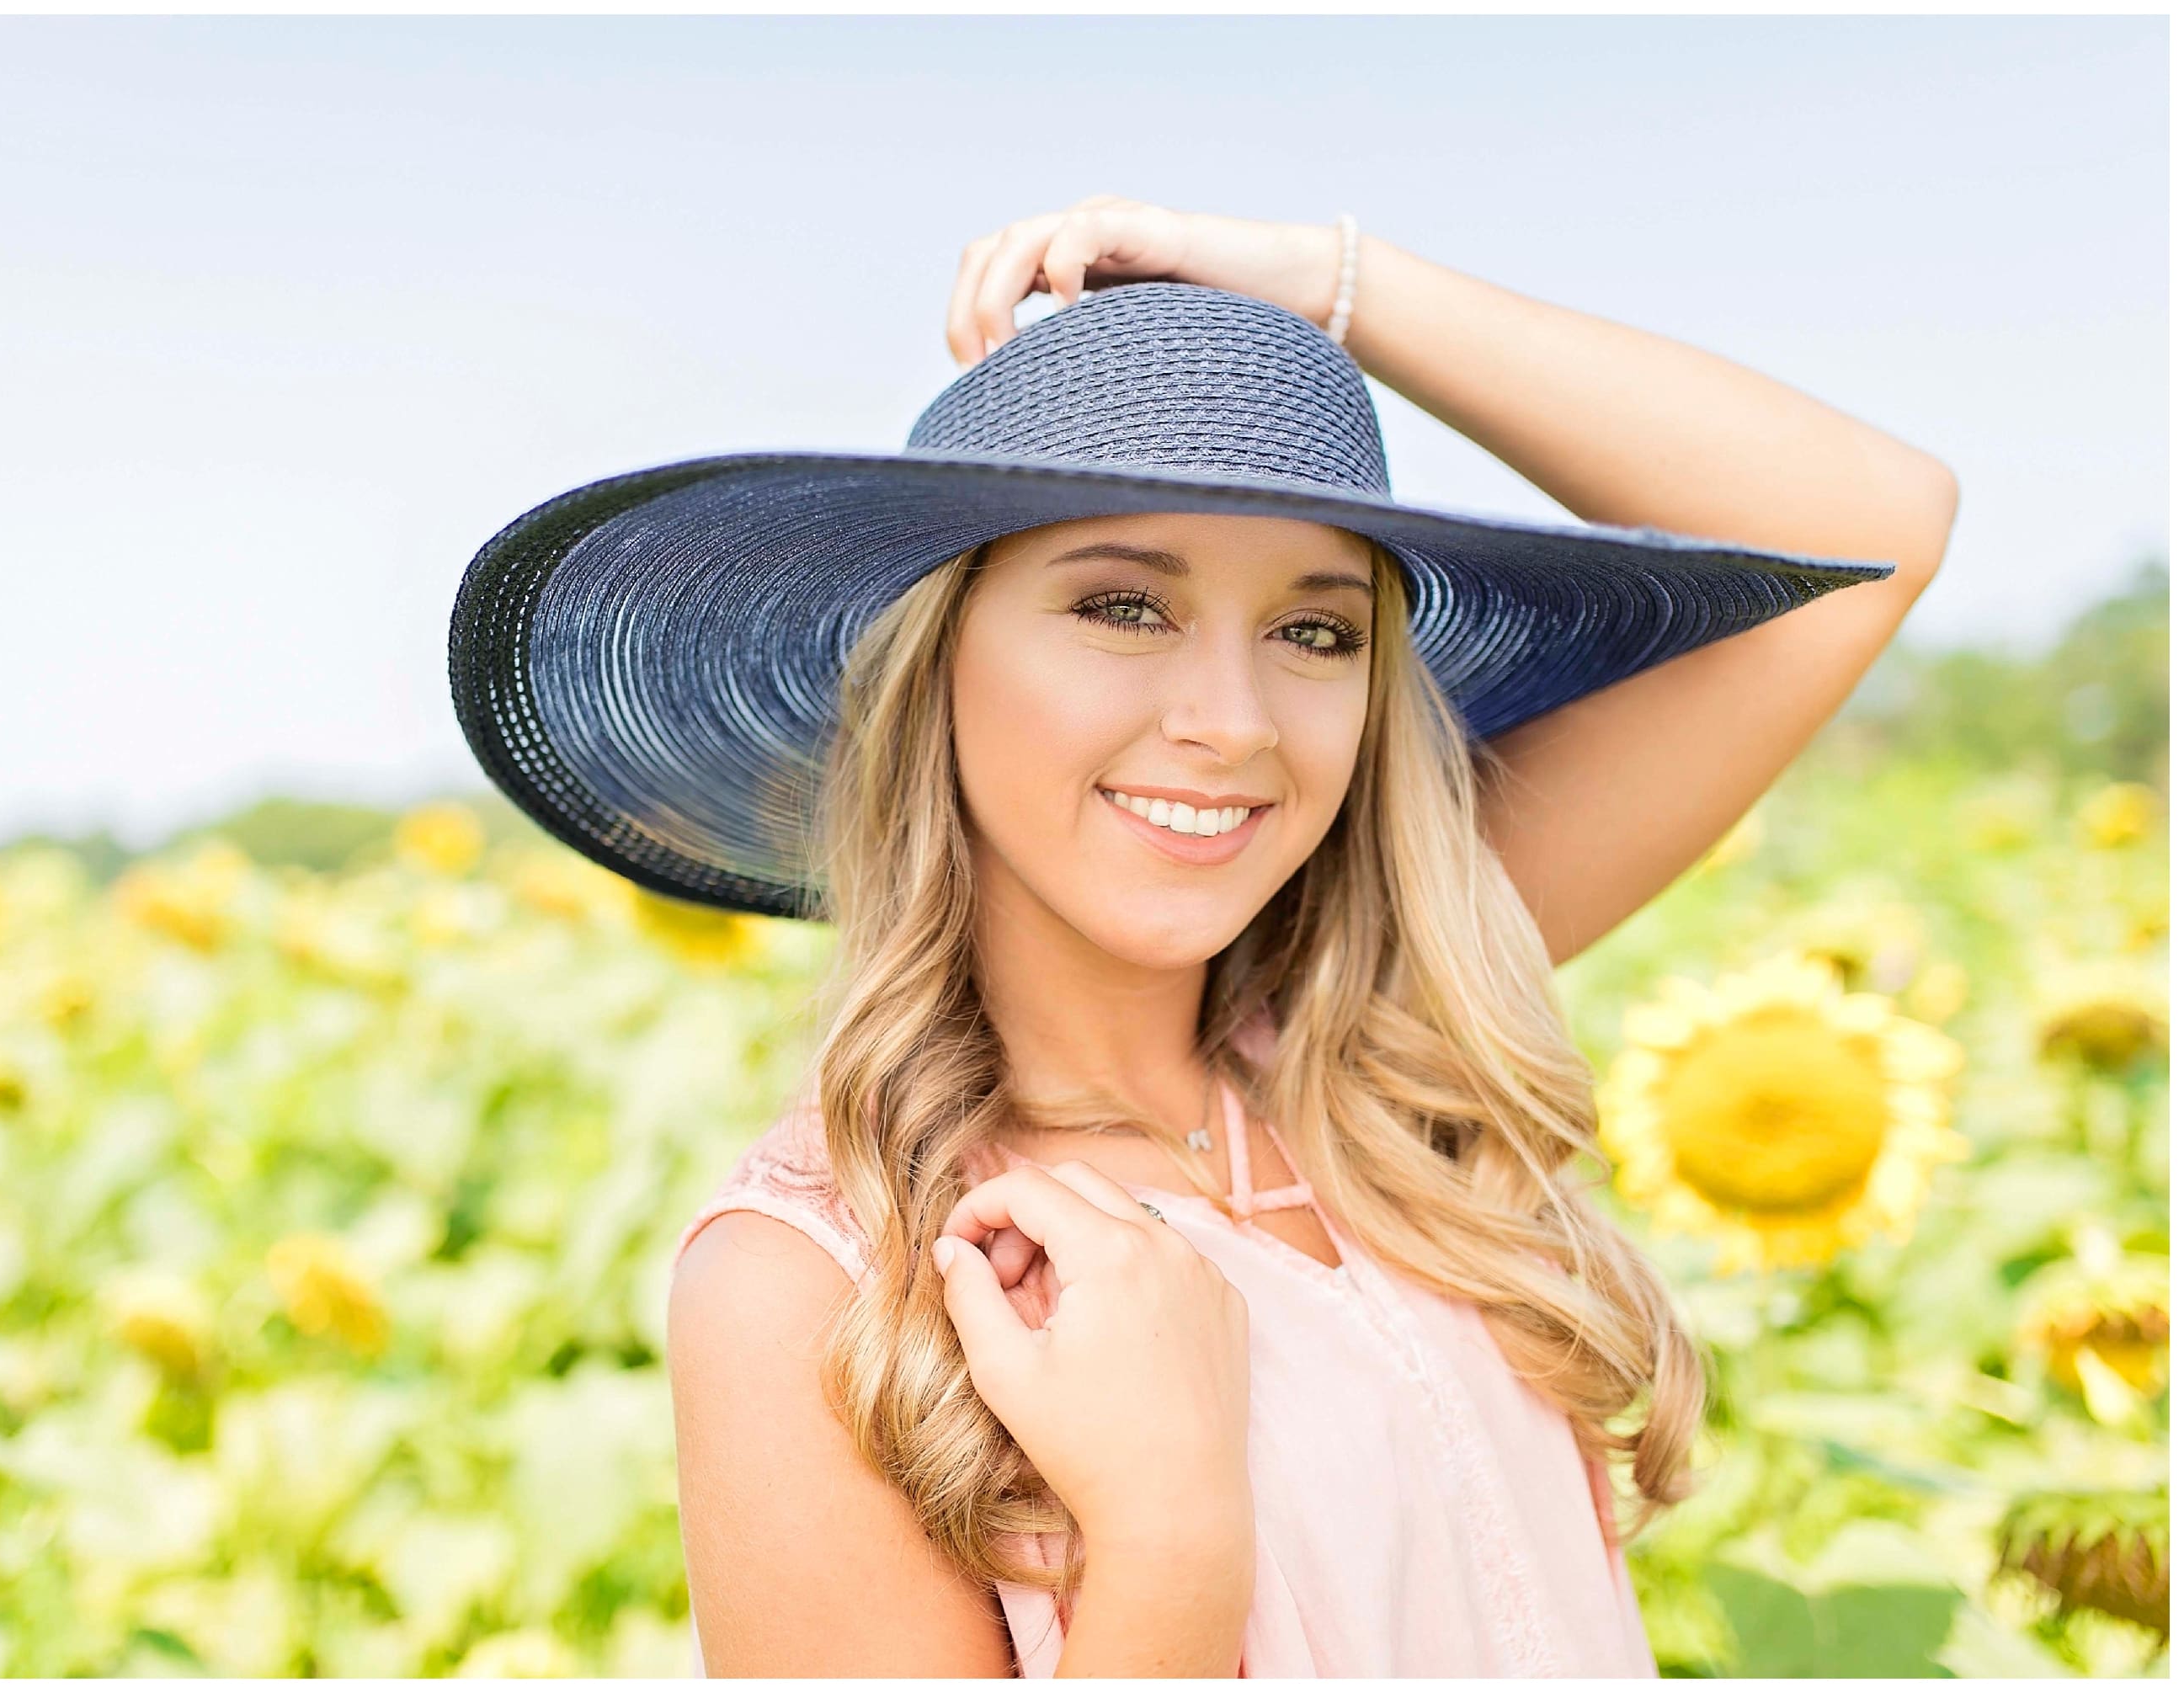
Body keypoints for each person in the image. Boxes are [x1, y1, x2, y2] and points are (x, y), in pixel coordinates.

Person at [448, 198, 1958, 1675]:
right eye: (1122, 606)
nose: (1230, 726)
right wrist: (1171, 1542)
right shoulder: (824, 1281)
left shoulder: (1378, 1050)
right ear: (938, 660)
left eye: (1316, 631)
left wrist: (1333, 281)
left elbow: (1868, 527)